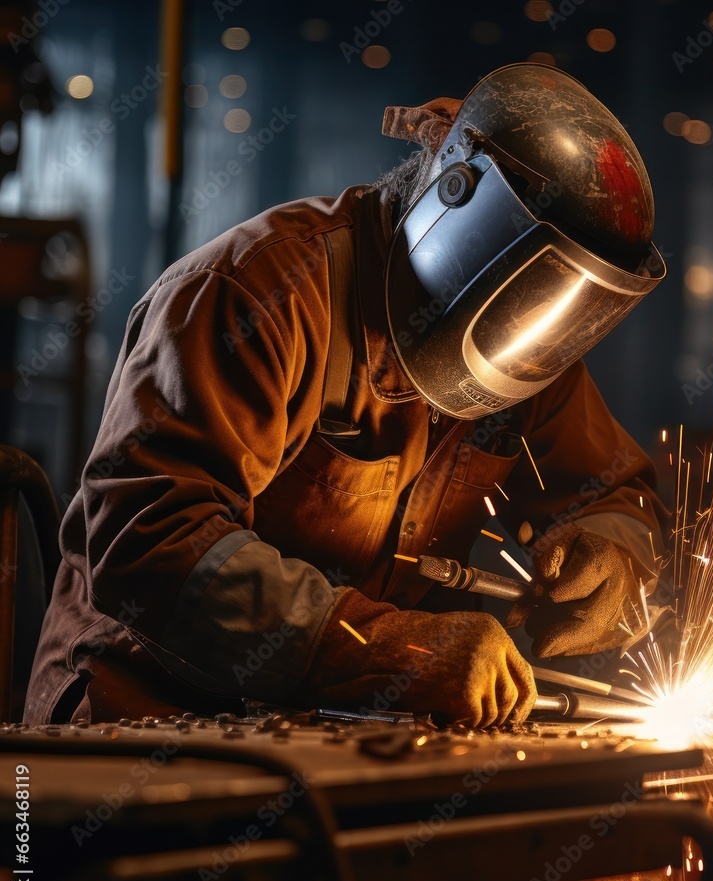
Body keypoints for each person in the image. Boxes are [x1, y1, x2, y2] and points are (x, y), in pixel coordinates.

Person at [24, 63, 668, 729]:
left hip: (328, 729)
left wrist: (610, 556)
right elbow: (150, 543)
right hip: (138, 720)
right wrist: (397, 651)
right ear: (456, 198)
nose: (534, 326)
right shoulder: (258, 293)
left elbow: (614, 493)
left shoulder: (526, 344)